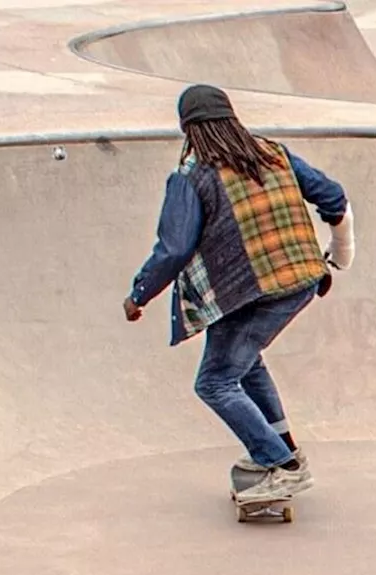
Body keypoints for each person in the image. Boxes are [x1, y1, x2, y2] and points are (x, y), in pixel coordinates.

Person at [123, 83, 356, 502]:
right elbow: (333, 197)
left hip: (252, 290)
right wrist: (341, 253)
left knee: (214, 381)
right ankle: (285, 450)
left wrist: (139, 295)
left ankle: (278, 465)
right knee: (245, 366)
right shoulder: (273, 153)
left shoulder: (192, 177)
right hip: (300, 279)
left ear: (189, 131)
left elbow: (174, 248)